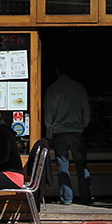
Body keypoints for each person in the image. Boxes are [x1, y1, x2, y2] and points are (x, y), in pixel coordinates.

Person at [43, 68, 92, 204]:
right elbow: (86, 110)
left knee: (62, 166)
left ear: (57, 71)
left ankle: (66, 198)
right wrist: (84, 125)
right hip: (77, 131)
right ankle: (86, 196)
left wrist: (50, 133)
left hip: (59, 132)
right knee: (81, 165)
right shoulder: (79, 88)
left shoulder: (52, 89)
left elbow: (48, 114)